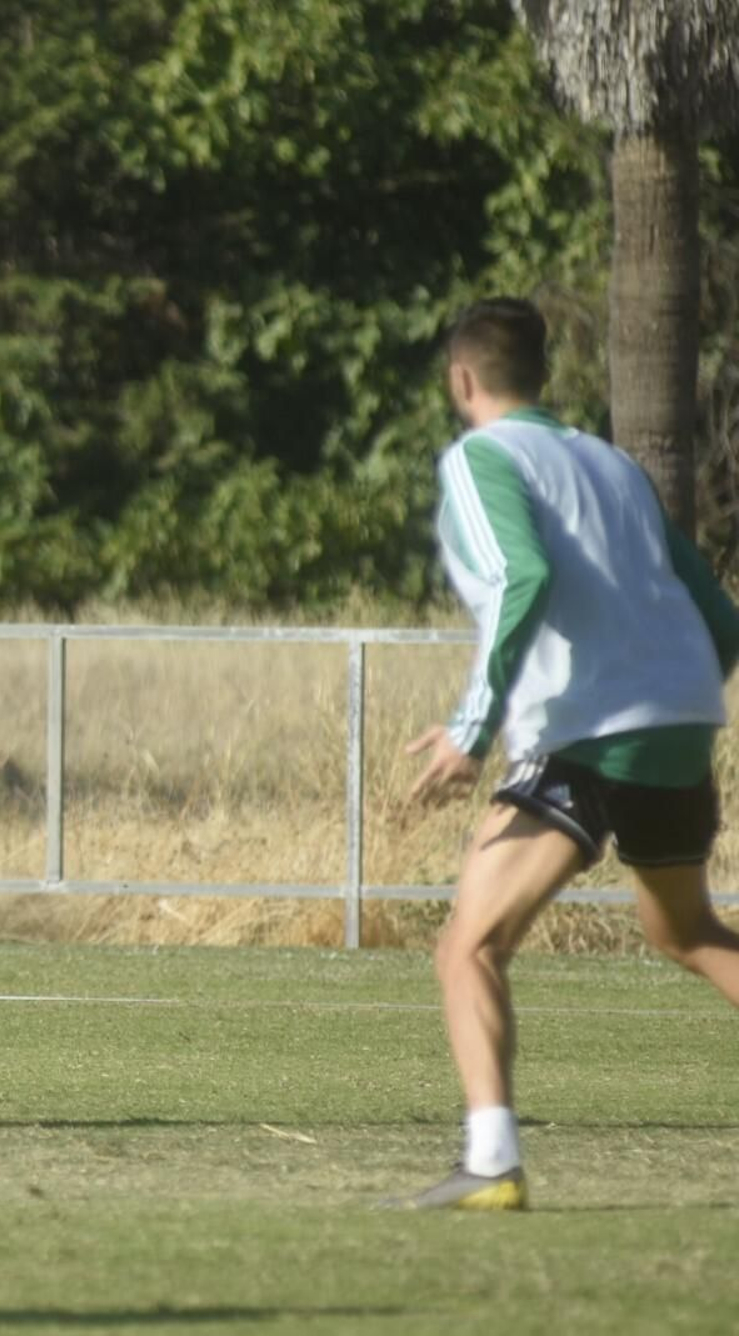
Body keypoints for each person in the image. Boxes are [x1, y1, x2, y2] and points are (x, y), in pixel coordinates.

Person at [401, 296, 739, 1209]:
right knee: (685, 933)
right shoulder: (614, 465)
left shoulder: (482, 457)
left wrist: (471, 732)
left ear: (461, 380)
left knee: (468, 946)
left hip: (587, 727)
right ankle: (488, 1163)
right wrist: (672, 696)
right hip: (679, 719)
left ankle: (491, 1163)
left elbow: (523, 574)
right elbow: (720, 616)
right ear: (541, 376)